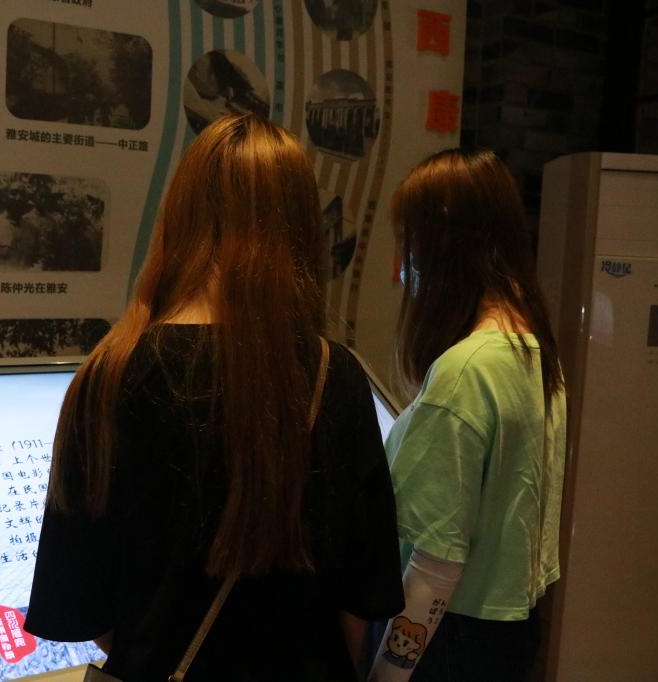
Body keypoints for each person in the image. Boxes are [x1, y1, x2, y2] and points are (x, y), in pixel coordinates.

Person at [24, 114, 404, 681]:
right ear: (300, 227)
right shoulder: (335, 374)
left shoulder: (108, 372)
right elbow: (362, 595)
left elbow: (84, 604)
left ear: (180, 216)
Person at [367, 149, 567, 682]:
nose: (400, 267)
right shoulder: (534, 351)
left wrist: (386, 675)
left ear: (442, 243)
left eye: (408, 242)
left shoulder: (466, 371)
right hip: (508, 632)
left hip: (445, 639)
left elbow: (434, 566)